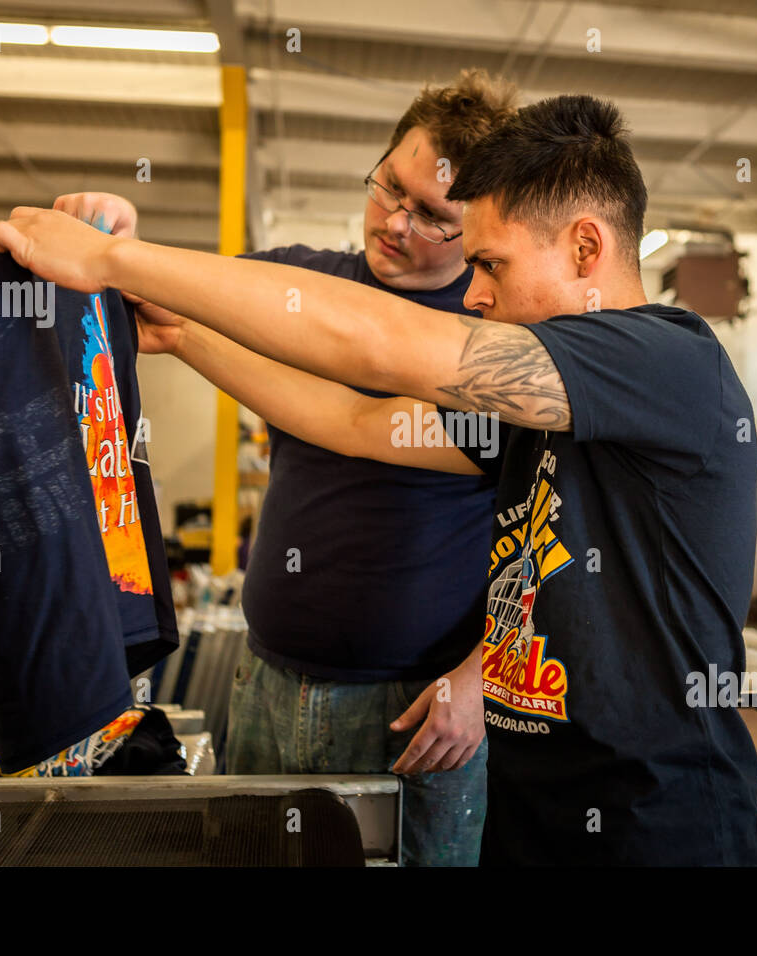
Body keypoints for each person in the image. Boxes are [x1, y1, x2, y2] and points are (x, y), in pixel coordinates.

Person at [0, 93, 757, 865]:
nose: (477, 291)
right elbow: (357, 422)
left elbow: (384, 345)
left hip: (657, 823)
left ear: (587, 250)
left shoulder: (669, 363)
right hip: (535, 810)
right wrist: (184, 336)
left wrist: (113, 258)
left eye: (489, 262)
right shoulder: (539, 410)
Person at [51, 68, 518, 866]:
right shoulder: (294, 283)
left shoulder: (495, 349)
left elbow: (551, 543)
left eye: (433, 217)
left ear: (476, 230)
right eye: (389, 187)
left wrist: (481, 680)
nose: (395, 222)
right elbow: (155, 293)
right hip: (267, 682)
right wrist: (115, 236)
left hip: (419, 710)